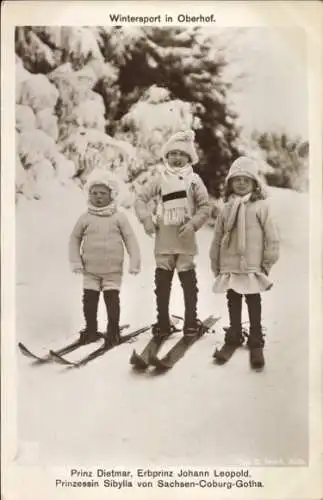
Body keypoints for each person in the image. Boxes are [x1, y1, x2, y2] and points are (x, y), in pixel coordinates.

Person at [134, 130, 210, 338]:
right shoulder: (159, 180)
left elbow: (205, 207)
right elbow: (140, 199)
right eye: (173, 153)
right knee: (162, 284)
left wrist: (193, 224)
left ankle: (191, 321)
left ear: (189, 157)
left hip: (185, 240)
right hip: (164, 240)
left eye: (182, 154)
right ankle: (162, 321)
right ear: (166, 156)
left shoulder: (194, 180)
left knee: (188, 283)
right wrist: (146, 219)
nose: (177, 158)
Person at [209, 156, 280, 369]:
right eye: (236, 179)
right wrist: (216, 263)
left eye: (246, 180)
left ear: (255, 184)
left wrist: (267, 262)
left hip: (252, 264)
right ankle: (234, 333)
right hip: (230, 264)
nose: (240, 183)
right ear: (230, 183)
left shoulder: (261, 207)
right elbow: (217, 236)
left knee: (252, 299)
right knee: (233, 298)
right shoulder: (227, 208)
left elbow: (272, 237)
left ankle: (256, 337)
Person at [69, 170, 141, 347]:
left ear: (112, 195)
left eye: (103, 193)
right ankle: (91, 330)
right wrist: (76, 261)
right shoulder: (85, 218)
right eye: (94, 193)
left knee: (111, 300)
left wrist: (134, 262)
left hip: (112, 271)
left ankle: (113, 330)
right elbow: (74, 239)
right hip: (90, 270)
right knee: (89, 301)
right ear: (89, 195)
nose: (98, 197)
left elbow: (130, 240)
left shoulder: (119, 218)